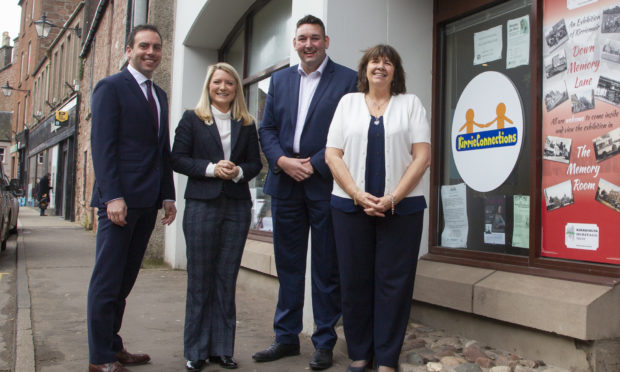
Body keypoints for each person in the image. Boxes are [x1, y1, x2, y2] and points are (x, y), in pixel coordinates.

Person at [254, 14, 357, 370]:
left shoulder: (347, 80)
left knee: (327, 267)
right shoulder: (278, 80)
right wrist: (282, 160)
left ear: (326, 42)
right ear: (294, 43)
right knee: (289, 265)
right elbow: (266, 128)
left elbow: (348, 132)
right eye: (302, 39)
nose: (308, 44)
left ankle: (324, 341)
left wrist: (313, 163)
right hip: (285, 184)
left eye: (315, 38)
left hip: (325, 183)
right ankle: (286, 337)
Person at [325, 44, 431, 372]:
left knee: (394, 284)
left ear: (395, 71)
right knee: (355, 280)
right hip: (350, 207)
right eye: (374, 61)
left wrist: (393, 198)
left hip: (402, 209)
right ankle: (359, 352)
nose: (380, 67)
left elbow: (422, 156)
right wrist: (357, 194)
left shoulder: (410, 104)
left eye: (387, 62)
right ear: (365, 69)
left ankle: (386, 358)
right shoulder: (348, 103)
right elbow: (332, 155)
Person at [87, 24, 176, 372]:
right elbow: (102, 147)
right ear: (129, 50)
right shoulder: (110, 88)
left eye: (156, 47)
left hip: (147, 201)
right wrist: (112, 197)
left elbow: (161, 151)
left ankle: (113, 344)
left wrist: (167, 194)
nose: (150, 52)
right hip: (119, 204)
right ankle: (99, 358)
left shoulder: (159, 95)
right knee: (107, 281)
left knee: (124, 281)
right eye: (143, 46)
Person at [171, 62, 262, 371]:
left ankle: (222, 349)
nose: (223, 87)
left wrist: (238, 172)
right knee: (200, 280)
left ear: (237, 88)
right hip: (201, 206)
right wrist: (211, 169)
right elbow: (178, 158)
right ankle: (196, 350)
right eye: (217, 82)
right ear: (208, 86)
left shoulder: (247, 123)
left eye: (229, 83)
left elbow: (254, 164)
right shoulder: (192, 119)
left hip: (236, 207)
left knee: (226, 279)